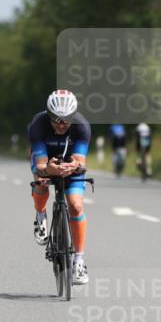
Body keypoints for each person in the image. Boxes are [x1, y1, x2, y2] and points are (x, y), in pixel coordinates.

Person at [29, 89, 91, 285]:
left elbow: (82, 163)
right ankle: (40, 215)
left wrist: (75, 166)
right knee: (40, 183)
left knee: (76, 205)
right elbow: (39, 165)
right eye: (57, 119)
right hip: (46, 161)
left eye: (66, 119)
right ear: (49, 115)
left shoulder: (82, 126)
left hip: (69, 165)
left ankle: (79, 261)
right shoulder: (38, 125)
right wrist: (48, 170)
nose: (62, 124)